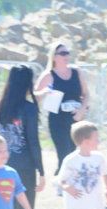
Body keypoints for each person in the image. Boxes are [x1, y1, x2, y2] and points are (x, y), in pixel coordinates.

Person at [0, 65, 49, 209]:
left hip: (2, 167)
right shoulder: (28, 108)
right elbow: (33, 142)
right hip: (24, 168)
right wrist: (41, 171)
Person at [35, 40, 90, 174]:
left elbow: (86, 94)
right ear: (54, 56)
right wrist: (45, 92)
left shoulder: (76, 72)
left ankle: (73, 180)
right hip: (58, 121)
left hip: (76, 119)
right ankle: (61, 180)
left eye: (67, 53)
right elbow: (34, 96)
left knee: (77, 152)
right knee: (64, 154)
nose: (66, 56)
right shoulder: (48, 75)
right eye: (63, 53)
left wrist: (82, 110)